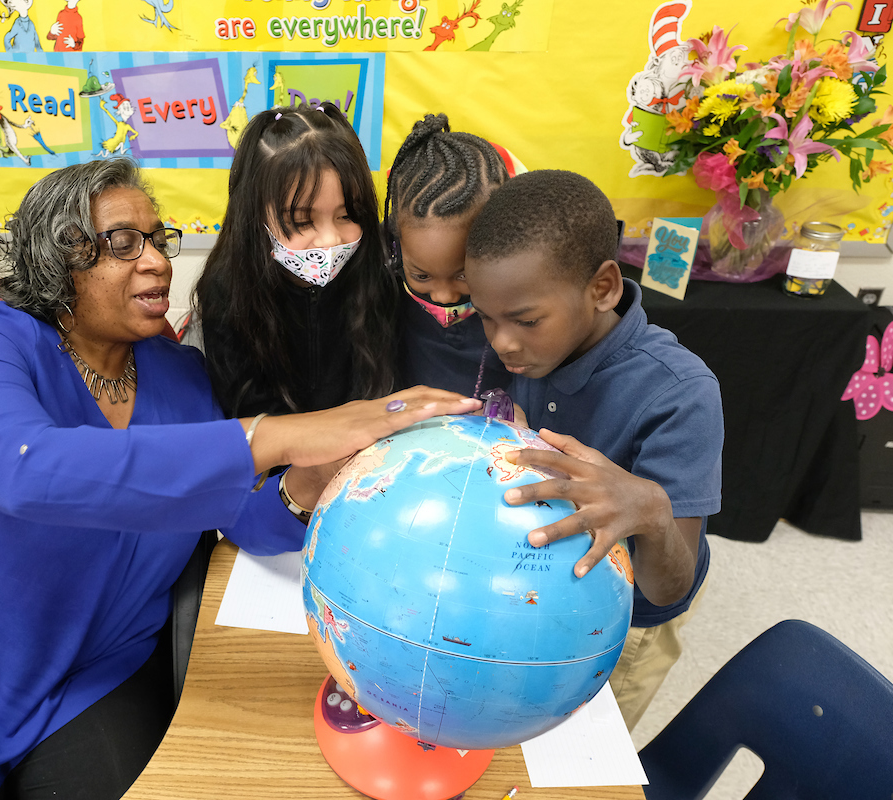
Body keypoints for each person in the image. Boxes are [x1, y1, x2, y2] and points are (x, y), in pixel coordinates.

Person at [0, 158, 482, 800]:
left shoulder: (180, 377)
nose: (158, 261)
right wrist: (280, 433)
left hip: (89, 678)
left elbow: (238, 514)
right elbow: (24, 468)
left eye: (158, 239)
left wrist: (310, 480)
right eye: (121, 243)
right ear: (53, 259)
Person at [463, 169, 724, 731]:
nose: (501, 342)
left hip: (628, 625)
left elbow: (670, 589)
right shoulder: (529, 349)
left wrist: (651, 511)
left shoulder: (682, 394)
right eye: (486, 317)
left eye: (526, 321)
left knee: (578, 753)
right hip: (537, 600)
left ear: (602, 287)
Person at [192, 104, 400, 418]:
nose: (330, 239)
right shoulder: (228, 292)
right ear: (254, 216)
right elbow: (248, 416)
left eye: (347, 215)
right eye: (302, 221)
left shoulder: (377, 276)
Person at [384, 113, 514, 397]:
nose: (444, 297)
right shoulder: (381, 295)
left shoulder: (524, 308)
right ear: (395, 249)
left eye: (463, 274)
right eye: (421, 275)